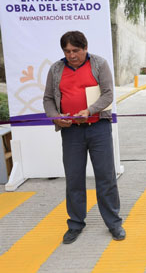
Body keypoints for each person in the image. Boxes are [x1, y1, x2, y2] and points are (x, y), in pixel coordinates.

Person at [43, 30, 125, 244]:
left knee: (106, 177)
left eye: (76, 50)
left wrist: (90, 110)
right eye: (67, 51)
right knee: (74, 178)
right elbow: (49, 99)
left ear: (85, 48)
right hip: (71, 132)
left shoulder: (99, 64)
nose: (71, 55)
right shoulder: (56, 69)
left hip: (98, 128)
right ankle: (76, 223)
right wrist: (55, 117)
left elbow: (108, 93)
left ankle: (114, 223)